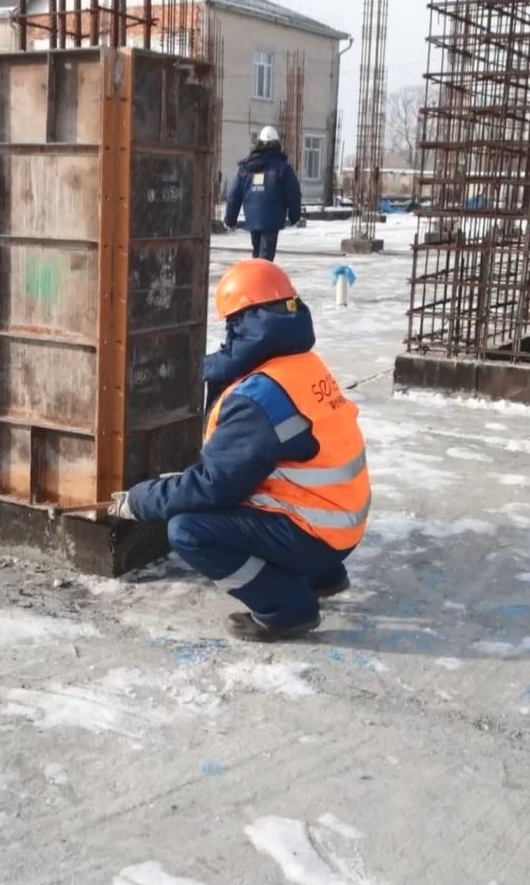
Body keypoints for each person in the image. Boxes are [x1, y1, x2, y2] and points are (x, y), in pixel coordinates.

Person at [109, 260, 371, 642]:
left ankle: (287, 610)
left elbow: (214, 486)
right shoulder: (301, 364)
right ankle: (322, 577)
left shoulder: (260, 398)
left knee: (189, 531)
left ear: (242, 322)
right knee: (235, 497)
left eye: (230, 324)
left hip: (318, 532)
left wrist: (142, 499)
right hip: (341, 520)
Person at [224, 126, 303, 262]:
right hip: (272, 220)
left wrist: (230, 220)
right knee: (265, 260)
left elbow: (233, 195)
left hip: (252, 218)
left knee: (257, 256)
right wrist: (294, 216)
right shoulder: (282, 168)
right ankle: (261, 274)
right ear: (277, 144)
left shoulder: (246, 167)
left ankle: (257, 273)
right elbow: (294, 193)